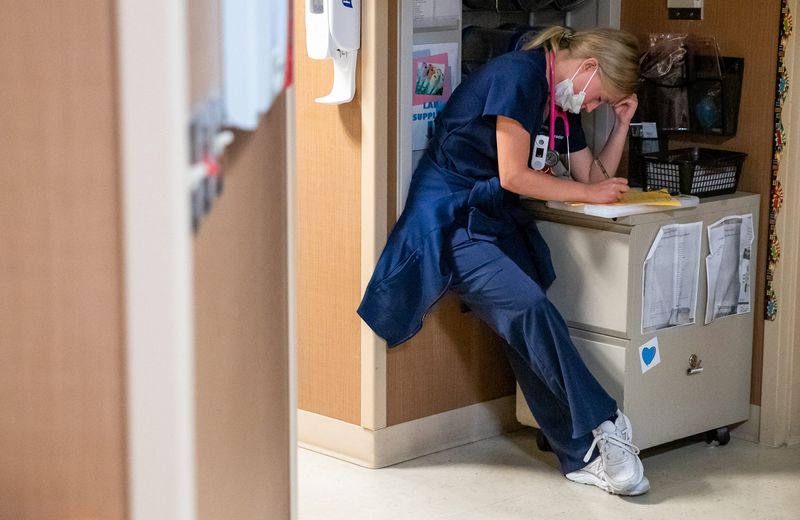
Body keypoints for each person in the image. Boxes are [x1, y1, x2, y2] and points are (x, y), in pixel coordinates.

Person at [357, 26, 649, 495]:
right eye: (599, 99)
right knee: (529, 307)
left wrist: (620, 125)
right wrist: (587, 191)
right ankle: (605, 419)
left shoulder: (561, 100)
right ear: (590, 68)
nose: (591, 107)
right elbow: (515, 175)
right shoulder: (517, 76)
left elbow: (594, 179)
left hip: (493, 216)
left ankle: (578, 458)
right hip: (453, 216)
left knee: (525, 326)